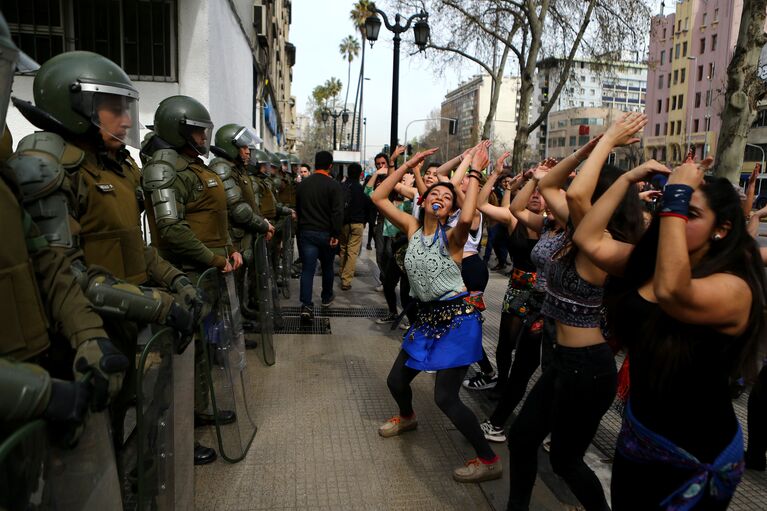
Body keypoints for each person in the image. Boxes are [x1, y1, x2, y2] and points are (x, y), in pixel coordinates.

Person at [9, 51, 198, 451]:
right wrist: (160, 305)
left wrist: (176, 281)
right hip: (81, 338)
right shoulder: (48, 166)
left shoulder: (118, 166)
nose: (126, 120)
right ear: (77, 105)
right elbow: (67, 273)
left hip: (124, 324)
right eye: (114, 109)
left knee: (123, 426)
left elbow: (132, 243)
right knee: (89, 453)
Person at [574, 155, 767, 509]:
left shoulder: (735, 287)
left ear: (721, 228)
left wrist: (677, 191)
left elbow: (673, 292)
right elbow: (587, 238)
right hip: (637, 438)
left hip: (695, 456)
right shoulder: (650, 264)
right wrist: (629, 178)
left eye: (688, 213)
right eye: (669, 207)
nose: (671, 217)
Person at [506, 114, 647, 511]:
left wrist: (607, 146)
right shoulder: (577, 230)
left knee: (565, 461)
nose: (572, 190)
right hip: (562, 360)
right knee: (522, 439)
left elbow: (575, 196)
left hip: (588, 368)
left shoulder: (606, 244)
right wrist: (585, 150)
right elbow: (550, 185)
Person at [372, 145, 503, 483]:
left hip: (458, 321)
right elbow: (379, 197)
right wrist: (409, 165)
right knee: (395, 380)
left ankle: (488, 459)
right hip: (427, 320)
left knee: (446, 397)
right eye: (434, 192)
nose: (440, 196)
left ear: (449, 209)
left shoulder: (455, 237)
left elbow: (470, 212)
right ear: (424, 201)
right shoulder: (413, 228)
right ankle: (408, 416)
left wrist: (474, 173)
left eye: (447, 195)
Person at [142, 95, 242, 465]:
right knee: (181, 357)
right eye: (198, 131)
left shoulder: (196, 166)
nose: (204, 137)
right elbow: (172, 230)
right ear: (178, 130)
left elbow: (217, 217)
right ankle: (176, 437)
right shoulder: (166, 168)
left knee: (201, 348)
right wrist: (214, 258)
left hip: (209, 274)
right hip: (185, 275)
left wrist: (228, 248)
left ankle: (199, 411)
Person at [295, 150, 344, 320]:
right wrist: (336, 233)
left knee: (307, 269)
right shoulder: (333, 185)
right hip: (326, 233)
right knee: (327, 267)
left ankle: (306, 305)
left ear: (315, 164)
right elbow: (338, 212)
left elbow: (298, 210)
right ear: (330, 166)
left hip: (307, 232)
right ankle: (326, 297)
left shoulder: (302, 185)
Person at [339, 162, 367, 290]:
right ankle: (346, 280)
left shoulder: (342, 186)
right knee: (352, 252)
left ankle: (342, 272)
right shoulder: (360, 188)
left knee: (343, 249)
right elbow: (367, 205)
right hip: (357, 223)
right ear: (360, 174)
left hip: (343, 223)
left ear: (348, 173)